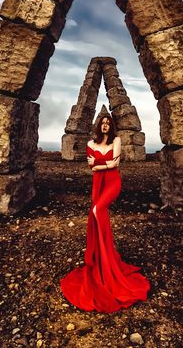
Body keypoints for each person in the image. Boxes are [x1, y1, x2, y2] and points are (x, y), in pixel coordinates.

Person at [59, 112, 150, 312]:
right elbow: (92, 167)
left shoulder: (116, 140)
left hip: (112, 183)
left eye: (109, 123)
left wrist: (101, 165)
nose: (106, 125)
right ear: (98, 126)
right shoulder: (91, 144)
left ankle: (107, 260)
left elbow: (114, 164)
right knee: (96, 214)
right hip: (97, 184)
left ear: (112, 126)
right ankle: (102, 257)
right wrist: (103, 165)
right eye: (103, 123)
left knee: (97, 210)